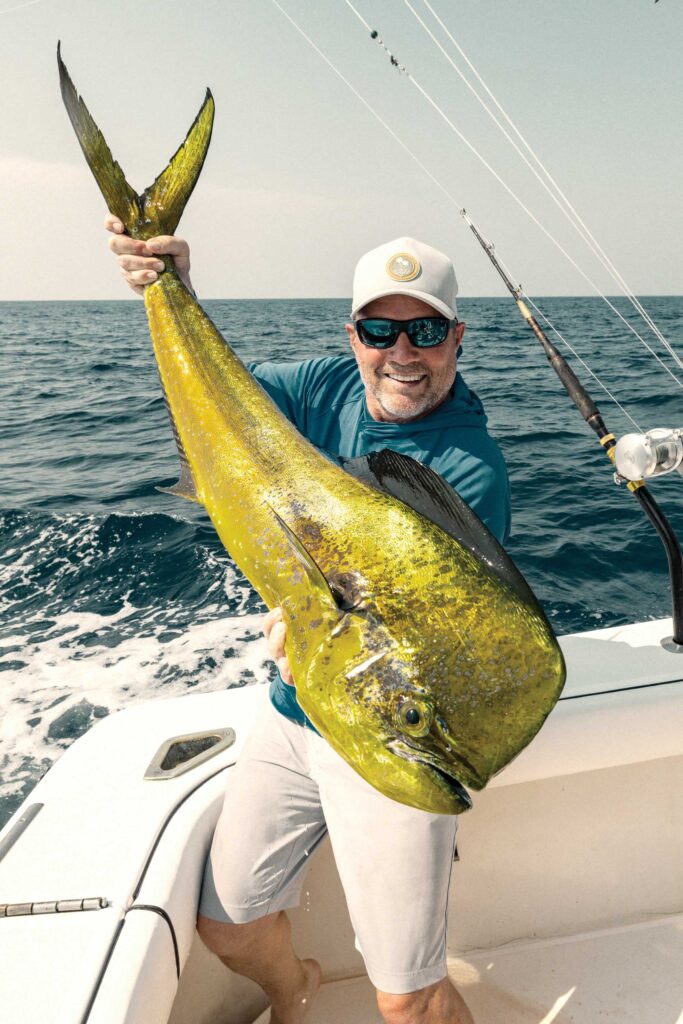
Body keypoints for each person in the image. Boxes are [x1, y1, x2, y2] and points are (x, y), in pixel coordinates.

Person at [106, 219, 511, 1024]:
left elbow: (421, 629)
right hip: (293, 714)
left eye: (425, 330)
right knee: (227, 924)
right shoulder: (320, 383)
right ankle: (296, 985)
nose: (403, 352)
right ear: (352, 334)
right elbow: (212, 408)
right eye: (380, 329)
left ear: (456, 337)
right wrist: (171, 286)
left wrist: (316, 619)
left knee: (406, 997)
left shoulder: (466, 467)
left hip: (385, 738)